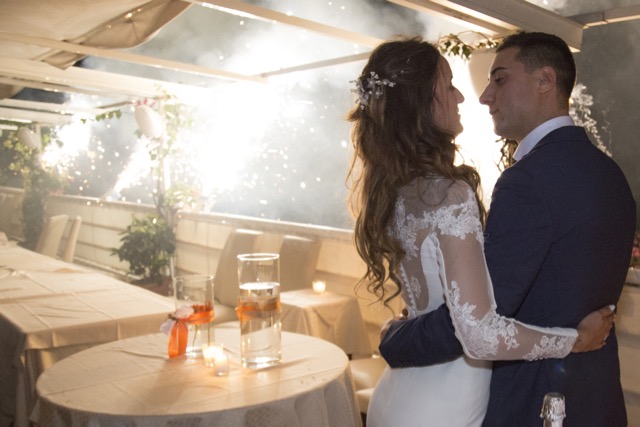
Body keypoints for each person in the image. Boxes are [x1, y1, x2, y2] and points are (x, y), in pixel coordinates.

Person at [375, 33, 636, 426]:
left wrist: (396, 338)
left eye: (499, 79)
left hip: (534, 402)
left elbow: (476, 321)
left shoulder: (528, 181)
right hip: (596, 396)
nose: (483, 96)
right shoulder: (611, 174)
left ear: (545, 80)